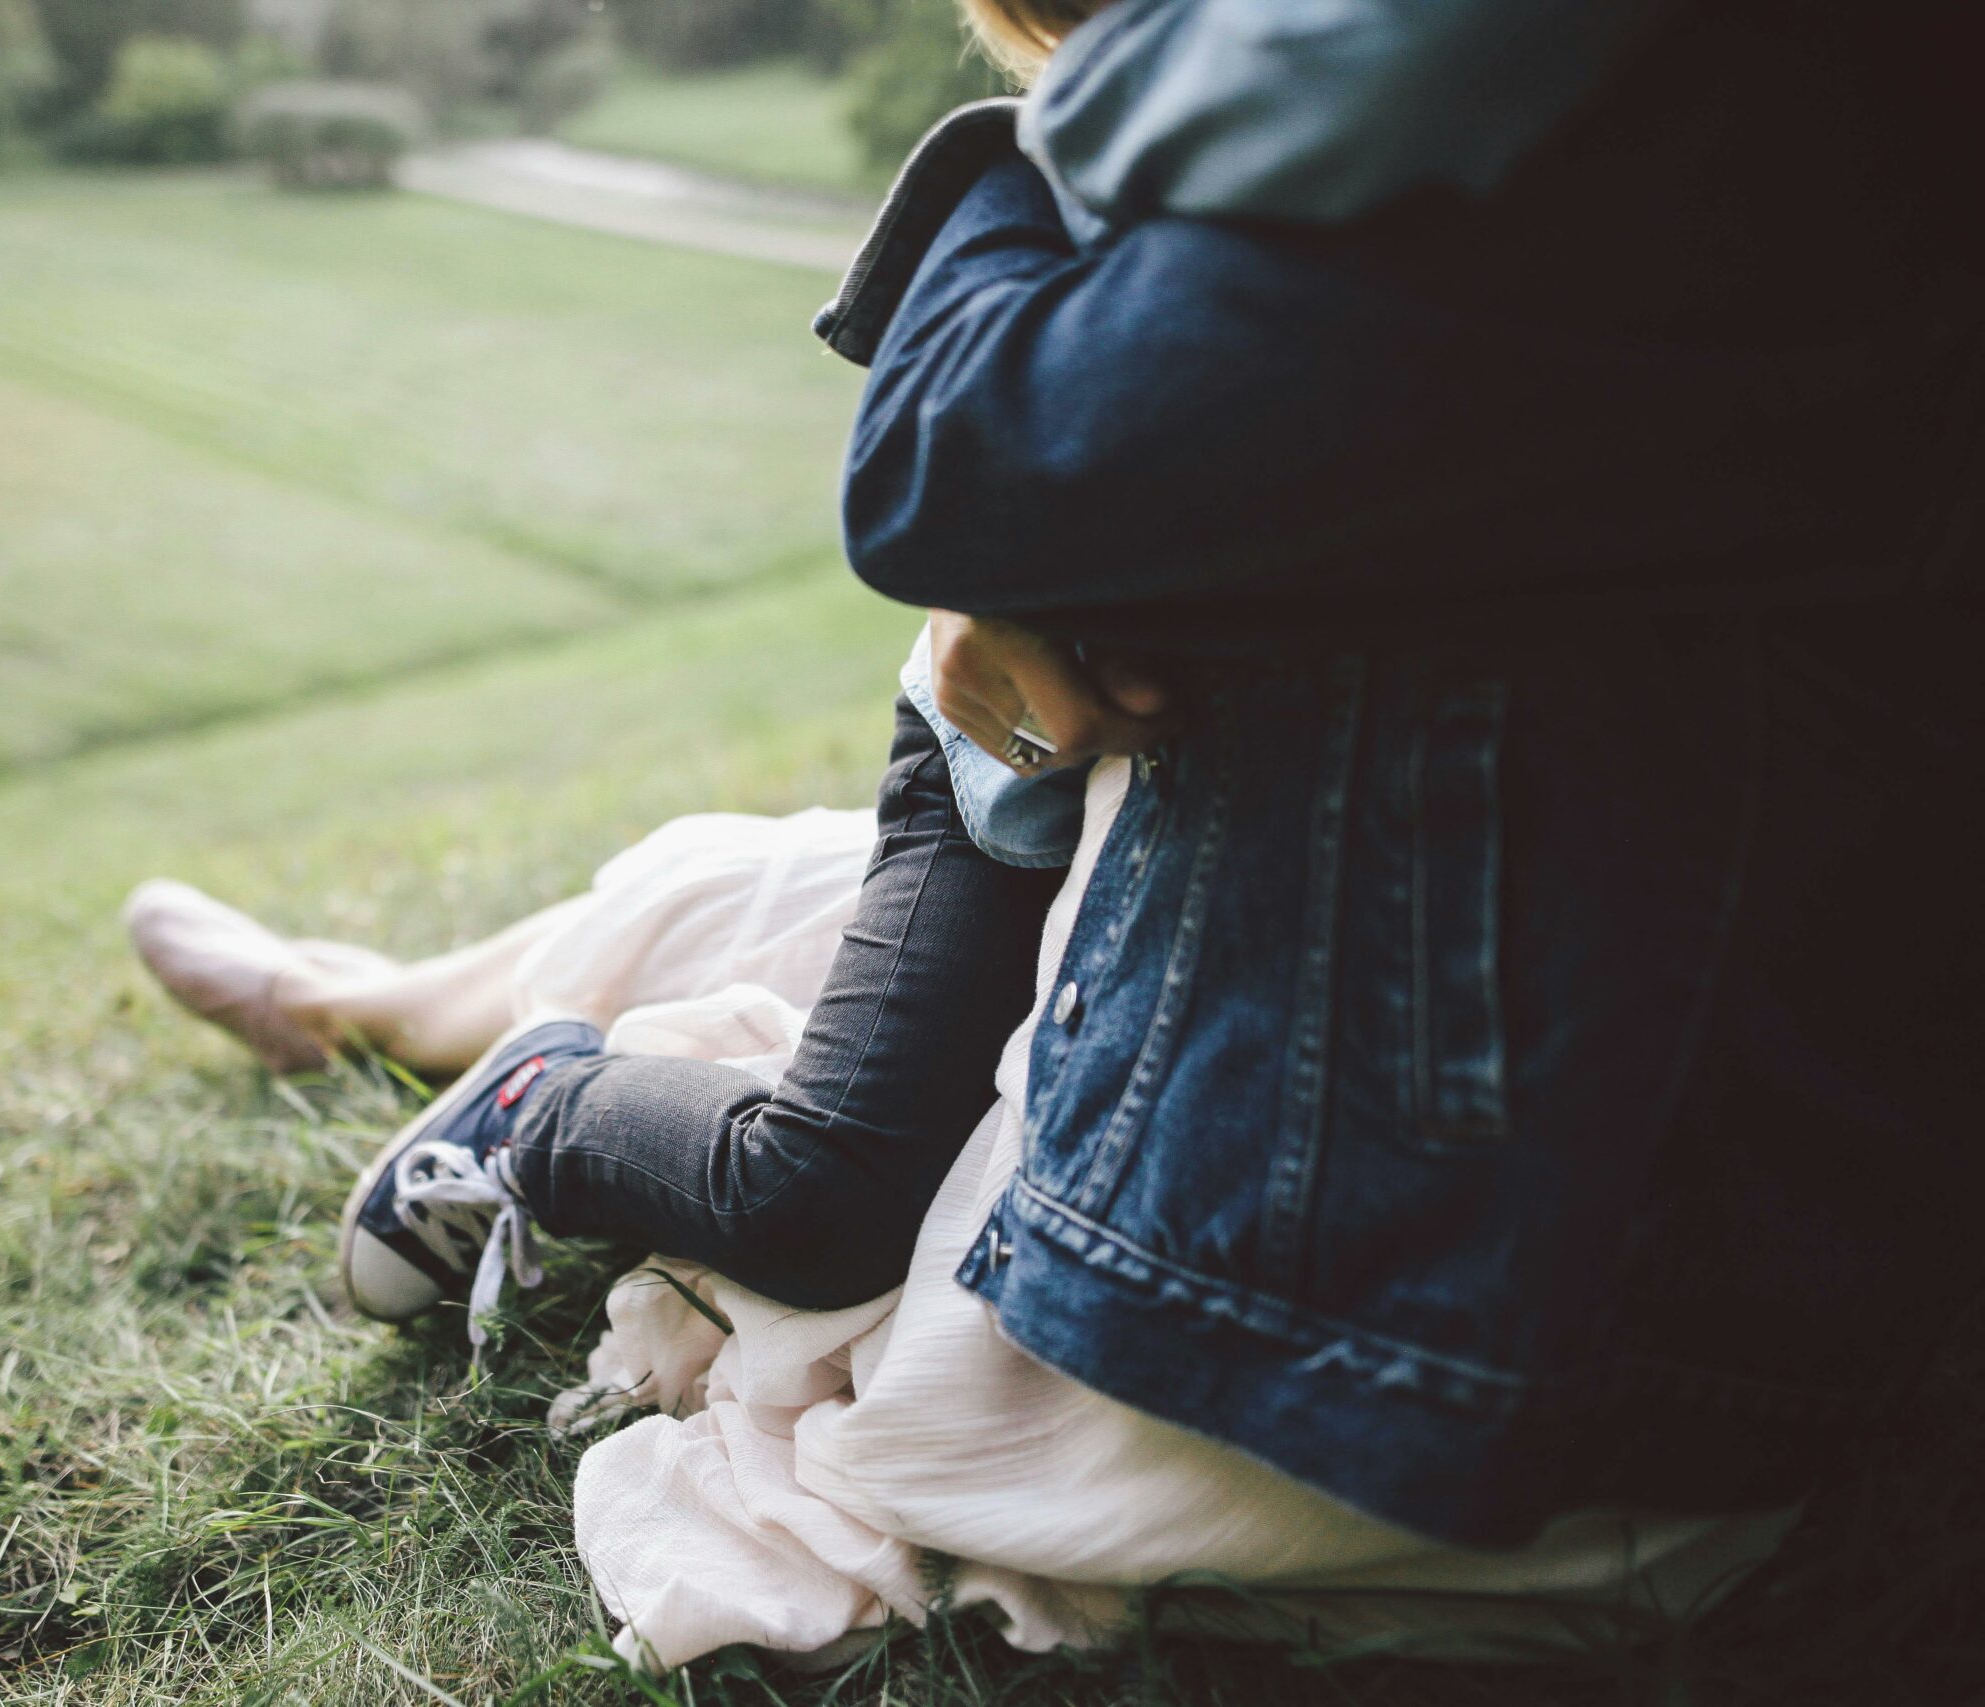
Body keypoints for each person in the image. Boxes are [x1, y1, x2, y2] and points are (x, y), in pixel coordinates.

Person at [131, 0, 1983, 1666]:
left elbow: (951, 459)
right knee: (793, 891)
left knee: (822, 1156)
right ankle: (370, 1003)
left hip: (1504, 1198)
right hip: (1224, 871)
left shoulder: (1600, 141)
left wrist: (1049, 236)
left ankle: (533, 1095)